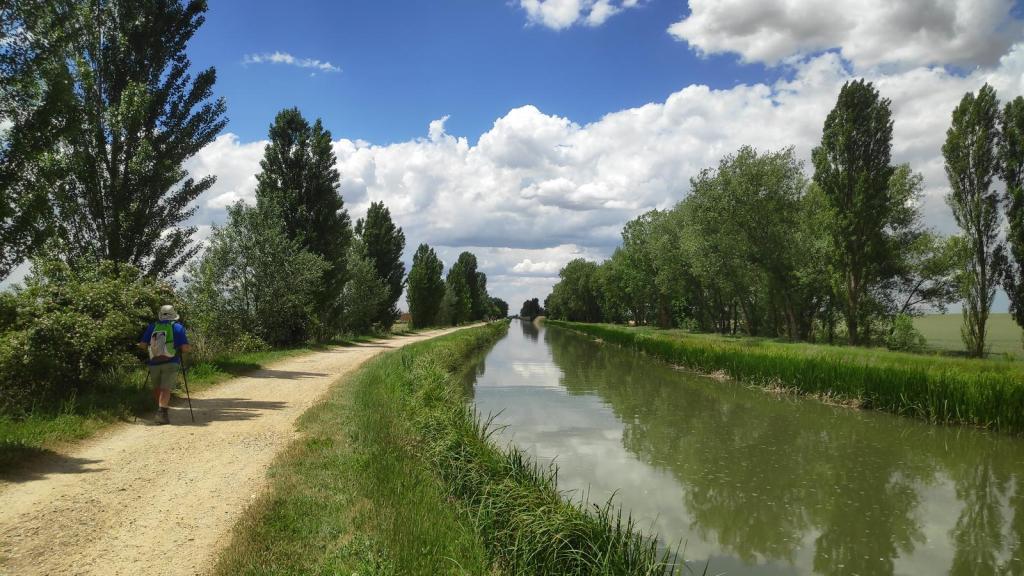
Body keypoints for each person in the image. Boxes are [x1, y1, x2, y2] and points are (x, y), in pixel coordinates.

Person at [138, 305, 191, 425]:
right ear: (173, 315)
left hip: (154, 362)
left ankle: (160, 410)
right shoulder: (177, 327)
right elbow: (185, 348)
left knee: (157, 388)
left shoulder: (153, 327)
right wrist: (184, 349)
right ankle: (162, 413)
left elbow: (142, 345)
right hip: (171, 362)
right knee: (165, 388)